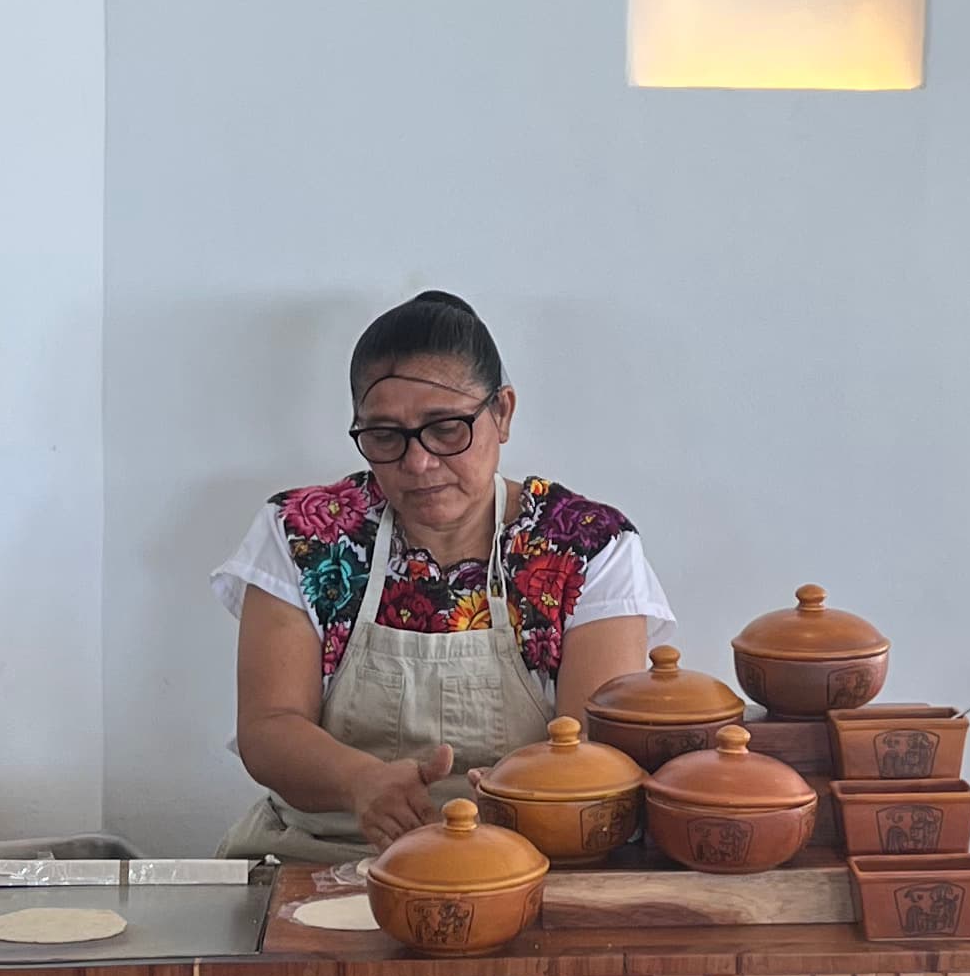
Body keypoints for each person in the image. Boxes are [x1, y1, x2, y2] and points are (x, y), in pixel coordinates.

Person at [215, 289, 671, 855]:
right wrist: (360, 782)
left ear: (501, 413)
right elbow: (270, 726)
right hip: (326, 851)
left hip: (525, 861)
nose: (419, 462)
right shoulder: (306, 534)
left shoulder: (586, 546)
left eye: (447, 428)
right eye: (385, 436)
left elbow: (587, 763)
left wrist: (503, 804)